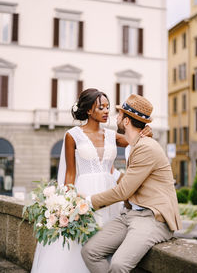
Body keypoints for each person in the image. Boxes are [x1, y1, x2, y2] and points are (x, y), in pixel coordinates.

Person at [31, 89, 152, 273]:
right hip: (84, 196)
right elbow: (70, 174)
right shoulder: (72, 135)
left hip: (110, 197)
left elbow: (136, 140)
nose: (106, 111)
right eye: (100, 107)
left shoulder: (113, 136)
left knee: (106, 242)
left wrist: (146, 132)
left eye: (107, 107)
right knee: (79, 244)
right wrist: (66, 204)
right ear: (88, 110)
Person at [81, 93, 182, 273]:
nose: (116, 117)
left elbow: (123, 191)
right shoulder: (136, 144)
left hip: (153, 218)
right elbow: (132, 182)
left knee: (119, 264)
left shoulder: (146, 147)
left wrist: (87, 202)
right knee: (90, 251)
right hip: (130, 214)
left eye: (119, 115)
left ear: (126, 121)